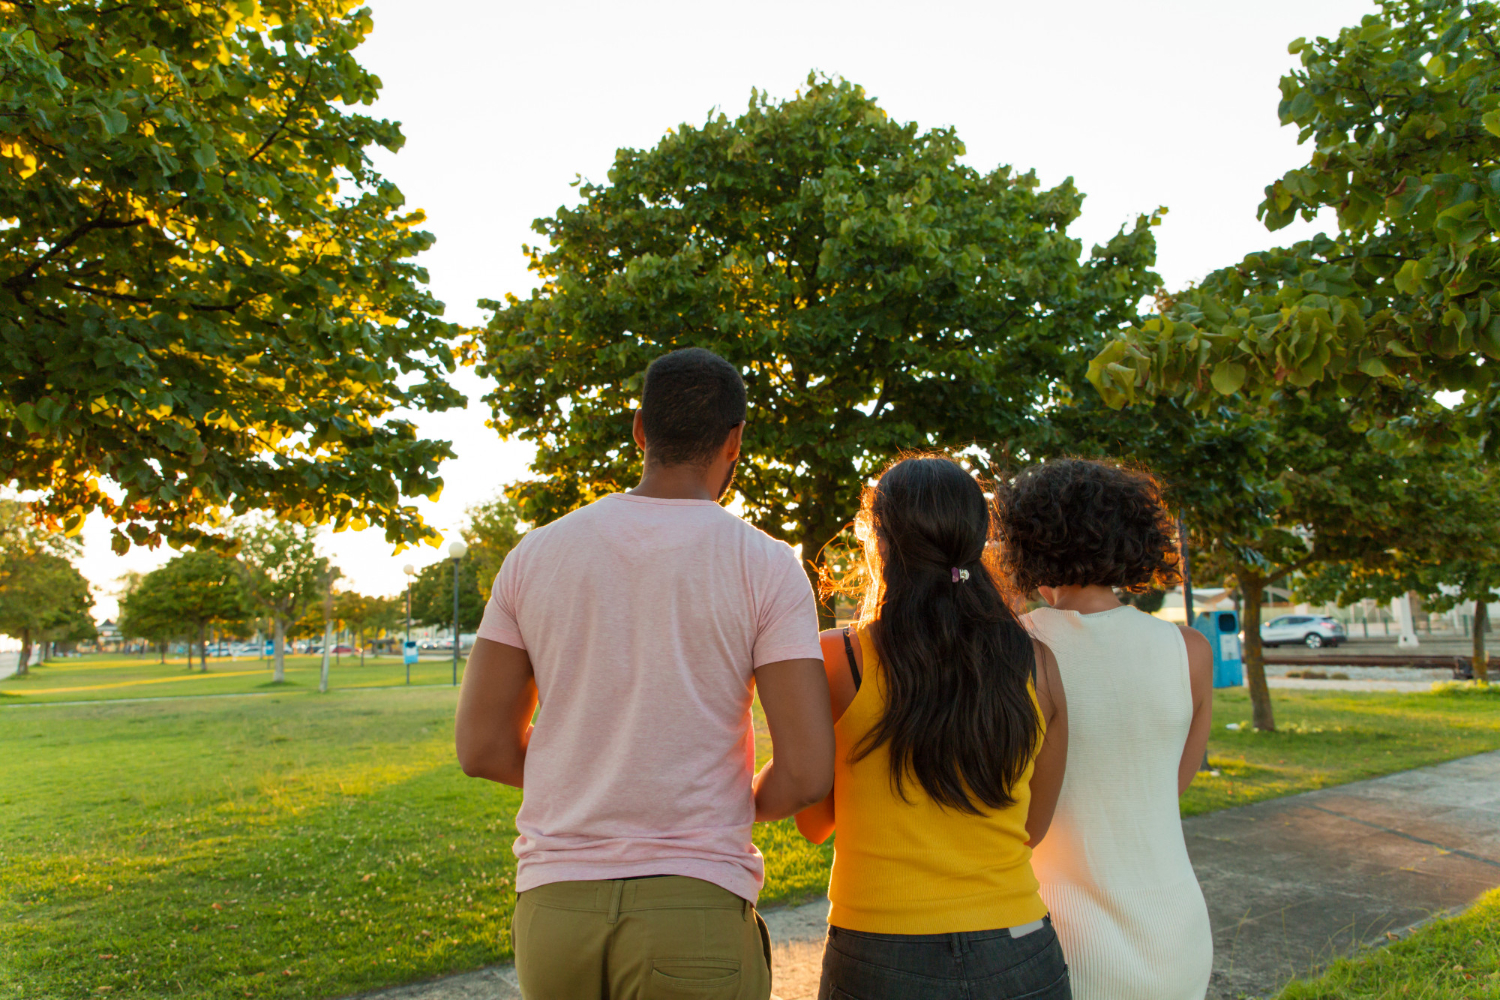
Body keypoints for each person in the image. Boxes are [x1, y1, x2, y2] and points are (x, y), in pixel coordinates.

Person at [455, 347, 834, 1000]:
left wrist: (587, 770)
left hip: (554, 912)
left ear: (640, 430)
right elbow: (805, 772)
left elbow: (482, 746)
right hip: (695, 909)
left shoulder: (535, 555)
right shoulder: (767, 566)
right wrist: (724, 801)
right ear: (735, 441)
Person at [796, 454, 1072, 1000]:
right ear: (976, 539)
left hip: (880, 949)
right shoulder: (1037, 662)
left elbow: (813, 823)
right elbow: (1033, 828)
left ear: (878, 543)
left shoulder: (836, 657)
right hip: (1020, 947)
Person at [995, 458, 1214, 1000]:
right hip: (1177, 929)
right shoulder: (1189, 650)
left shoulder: (1008, 647)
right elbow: (1169, 786)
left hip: (1052, 935)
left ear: (1024, 544)